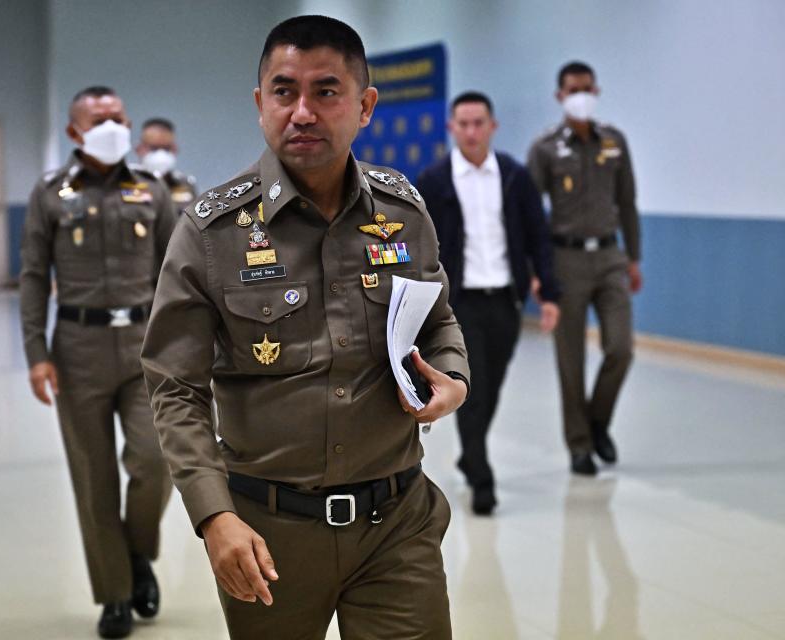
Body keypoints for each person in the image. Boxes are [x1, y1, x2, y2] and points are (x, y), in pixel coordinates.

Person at [141, 16, 469, 640]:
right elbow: (174, 388)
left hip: (396, 523)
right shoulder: (211, 232)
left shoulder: (402, 211)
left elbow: (438, 317)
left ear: (365, 105)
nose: (303, 112)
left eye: (327, 91)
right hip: (269, 535)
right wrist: (214, 518)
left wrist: (451, 376)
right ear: (260, 102)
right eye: (285, 91)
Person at [19, 87, 175, 639]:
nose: (112, 126)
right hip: (78, 350)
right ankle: (114, 593)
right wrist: (36, 353)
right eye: (100, 119)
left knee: (156, 465)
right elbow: (35, 277)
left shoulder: (152, 192)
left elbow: (174, 279)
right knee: (94, 479)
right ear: (74, 132)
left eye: (119, 117)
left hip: (143, 347)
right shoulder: (49, 194)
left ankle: (136, 558)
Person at [416, 91, 560, 515]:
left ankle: (470, 452)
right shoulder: (434, 181)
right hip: (459, 304)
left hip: (505, 299)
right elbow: (424, 248)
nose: (472, 131)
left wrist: (549, 292)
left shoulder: (515, 176)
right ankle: (481, 476)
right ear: (451, 128)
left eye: (479, 123)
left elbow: (538, 236)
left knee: (493, 386)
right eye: (463, 124)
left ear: (492, 127)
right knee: (471, 389)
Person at [527, 61, 642, 476]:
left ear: (597, 91)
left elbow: (627, 202)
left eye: (588, 88)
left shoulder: (614, 142)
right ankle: (579, 445)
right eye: (574, 89)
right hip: (565, 261)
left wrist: (634, 258)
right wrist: (536, 271)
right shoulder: (545, 148)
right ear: (560, 96)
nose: (582, 95)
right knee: (570, 359)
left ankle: (598, 422)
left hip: (611, 257)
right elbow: (531, 215)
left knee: (621, 349)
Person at [134, 118, 196, 216]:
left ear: (175, 149)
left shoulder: (186, 186)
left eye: (166, 149)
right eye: (154, 148)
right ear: (139, 149)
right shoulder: (126, 183)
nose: (160, 154)